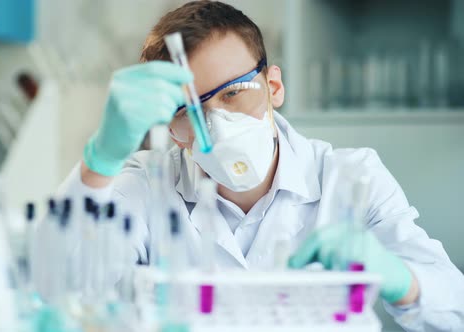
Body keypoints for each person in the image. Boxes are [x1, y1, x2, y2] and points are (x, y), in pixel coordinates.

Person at [58, 1, 464, 330]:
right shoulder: (146, 184)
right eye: (189, 112)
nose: (215, 126)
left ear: (273, 87)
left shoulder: (352, 178)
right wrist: (101, 159)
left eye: (233, 94)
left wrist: (398, 277)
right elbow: (61, 290)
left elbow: (455, 308)